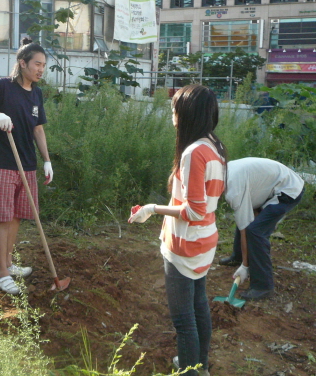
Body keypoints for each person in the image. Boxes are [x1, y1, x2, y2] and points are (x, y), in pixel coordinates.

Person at [129, 85, 227, 376]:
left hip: (185, 246)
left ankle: (190, 372)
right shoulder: (214, 145)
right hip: (204, 242)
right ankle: (200, 365)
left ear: (186, 113)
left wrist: (152, 209)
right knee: (199, 307)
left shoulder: (193, 153)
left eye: (175, 109)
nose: (172, 115)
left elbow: (195, 211)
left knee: (184, 319)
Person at [0, 37, 53, 295]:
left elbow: (38, 129)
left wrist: (46, 160)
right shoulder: (3, 87)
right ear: (22, 63)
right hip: (4, 162)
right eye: (37, 64)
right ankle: (2, 274)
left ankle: (8, 263)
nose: (40, 69)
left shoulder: (36, 93)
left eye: (44, 65)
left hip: (27, 163)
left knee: (16, 216)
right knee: (3, 219)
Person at [219, 157, 304, 300]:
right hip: (269, 187)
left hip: (288, 190)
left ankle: (263, 287)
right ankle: (238, 257)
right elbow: (245, 219)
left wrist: (246, 267)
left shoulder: (233, 189)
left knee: (255, 231)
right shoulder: (222, 172)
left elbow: (245, 228)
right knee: (247, 220)